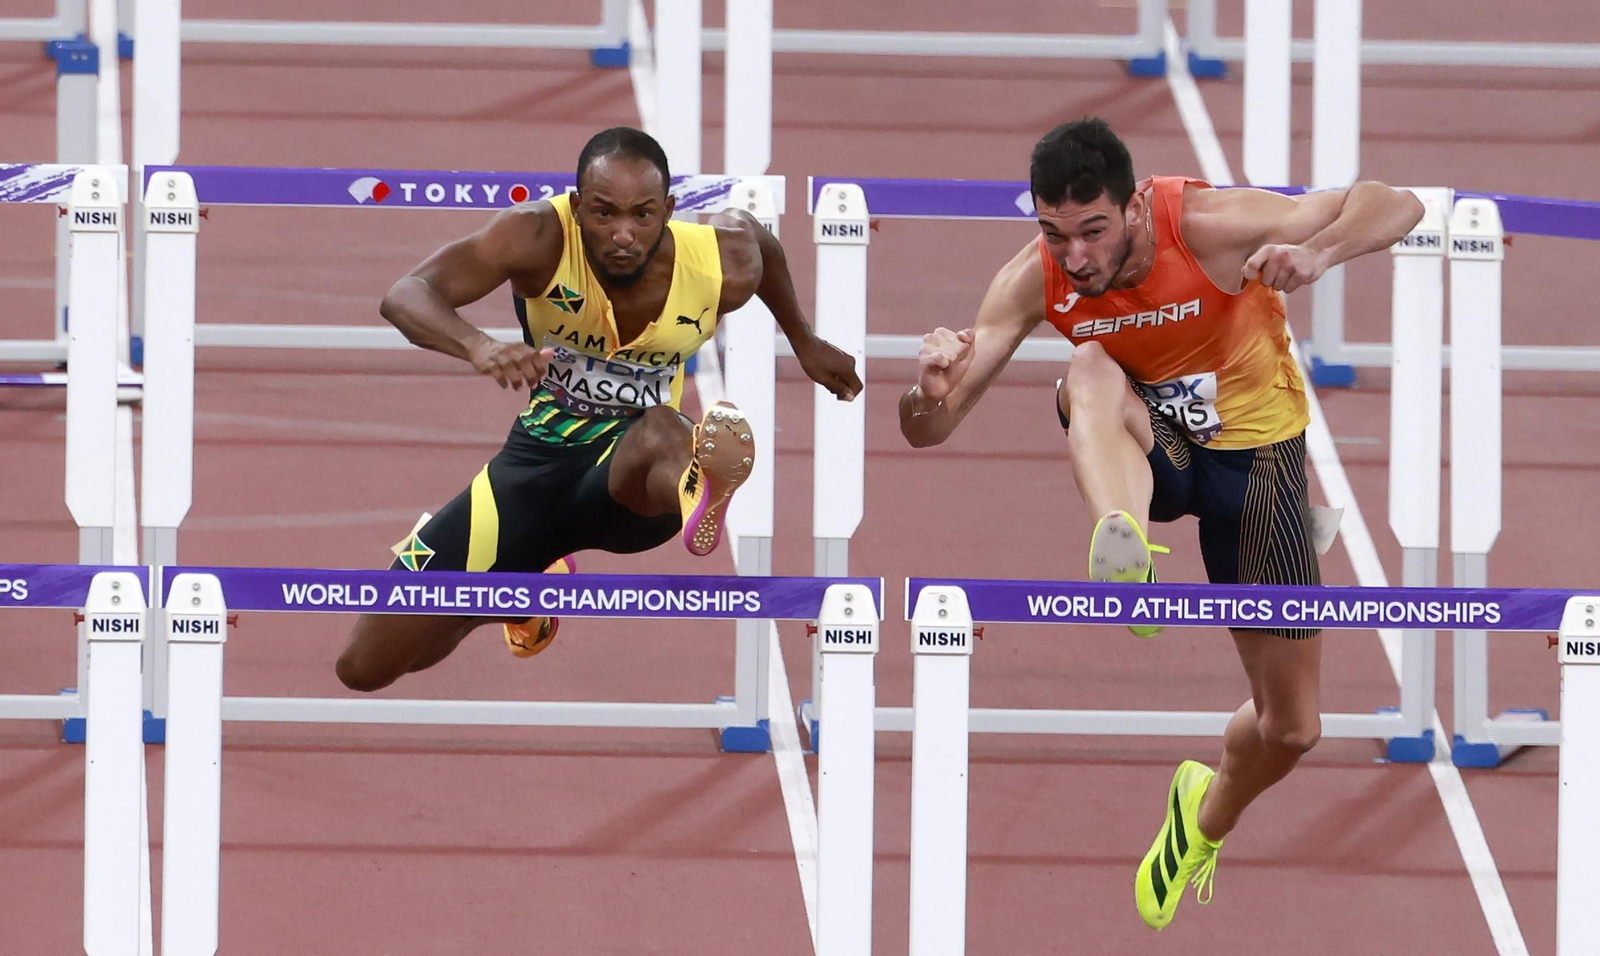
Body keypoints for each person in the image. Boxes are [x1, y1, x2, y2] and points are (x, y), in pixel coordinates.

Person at [898, 117, 1423, 930]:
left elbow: (1396, 202)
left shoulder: (1208, 227)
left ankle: (1200, 818)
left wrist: (1319, 253)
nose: (1075, 256)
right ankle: (1126, 547)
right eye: (1055, 233)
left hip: (1257, 467)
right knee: (1088, 367)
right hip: (1154, 452)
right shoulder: (1034, 279)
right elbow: (928, 430)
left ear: (1137, 205)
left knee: (1292, 729)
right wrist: (927, 390)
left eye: (1094, 231)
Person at [336, 126, 861, 691]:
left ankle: (698, 487)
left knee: (664, 428)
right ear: (578, 205)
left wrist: (804, 340)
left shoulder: (719, 263)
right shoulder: (537, 235)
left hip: (628, 481)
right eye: (605, 214)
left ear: (670, 211)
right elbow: (406, 293)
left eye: (643, 216)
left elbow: (760, 242)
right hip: (530, 472)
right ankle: (516, 595)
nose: (624, 236)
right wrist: (479, 345)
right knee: (367, 667)